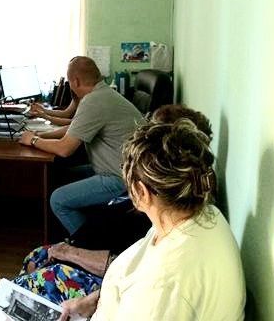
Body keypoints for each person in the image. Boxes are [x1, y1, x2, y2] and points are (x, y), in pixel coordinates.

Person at [14, 106, 214, 313]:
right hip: (87, 259)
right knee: (33, 261)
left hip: (93, 271)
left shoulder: (157, 210)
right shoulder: (170, 207)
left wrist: (70, 253)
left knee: (25, 287)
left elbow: (124, 268)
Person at [59, 116, 245, 320]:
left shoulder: (163, 286)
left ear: (142, 191)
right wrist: (94, 301)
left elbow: (159, 291)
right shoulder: (201, 215)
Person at [20, 56, 143, 235]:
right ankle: (82, 229)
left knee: (58, 200)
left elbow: (64, 149)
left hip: (121, 178)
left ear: (75, 81)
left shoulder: (94, 101)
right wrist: (40, 135)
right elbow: (74, 128)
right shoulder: (103, 94)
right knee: (61, 174)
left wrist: (33, 141)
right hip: (122, 169)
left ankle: (87, 244)